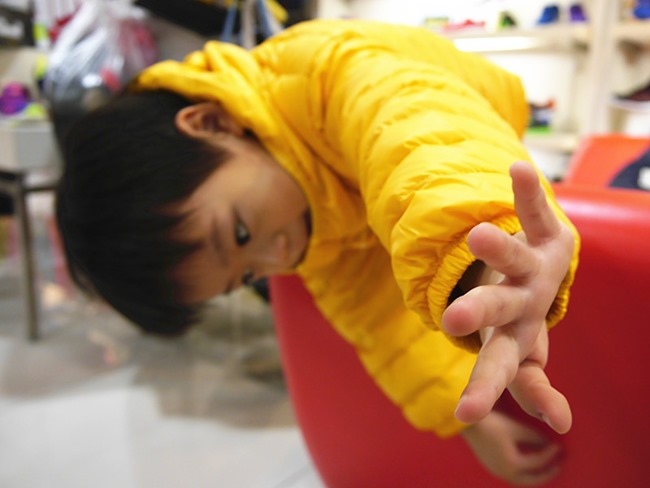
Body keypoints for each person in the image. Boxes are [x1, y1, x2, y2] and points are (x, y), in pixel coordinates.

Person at [55, 19, 580, 485]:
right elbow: (381, 325)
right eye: (247, 276)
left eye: (240, 233)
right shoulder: (311, 237)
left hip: (478, 120)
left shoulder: (324, 71)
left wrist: (483, 255)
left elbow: (415, 129)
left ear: (212, 123)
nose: (277, 259)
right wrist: (466, 420)